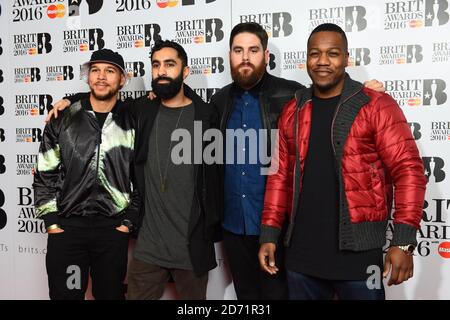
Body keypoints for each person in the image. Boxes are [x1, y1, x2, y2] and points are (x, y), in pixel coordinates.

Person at [210, 22, 385, 300]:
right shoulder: (218, 102)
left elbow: (331, 97)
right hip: (234, 225)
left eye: (253, 50)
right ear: (229, 55)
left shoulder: (291, 94)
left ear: (266, 56)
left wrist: (365, 91)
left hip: (279, 227)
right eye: (238, 50)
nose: (245, 57)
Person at [258, 23, 426, 300]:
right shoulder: (293, 110)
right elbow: (279, 176)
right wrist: (269, 232)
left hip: (359, 258)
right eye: (315, 54)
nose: (322, 61)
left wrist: (404, 242)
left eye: (332, 53)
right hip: (301, 257)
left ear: (347, 58)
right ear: (307, 59)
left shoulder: (375, 105)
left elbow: (408, 171)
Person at [48, 40, 220, 300]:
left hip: (191, 248)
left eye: (170, 64)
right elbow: (103, 98)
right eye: (156, 65)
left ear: (185, 72)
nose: (161, 71)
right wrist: (71, 99)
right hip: (148, 249)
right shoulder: (142, 110)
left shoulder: (206, 116)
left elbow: (215, 179)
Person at [34, 49, 140, 300]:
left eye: (110, 71)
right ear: (88, 76)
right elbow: (45, 172)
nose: (101, 77)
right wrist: (52, 222)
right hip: (68, 231)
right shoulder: (64, 117)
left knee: (110, 296)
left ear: (122, 79)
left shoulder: (134, 118)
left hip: (112, 231)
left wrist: (128, 222)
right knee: (67, 296)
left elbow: (143, 176)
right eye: (95, 70)